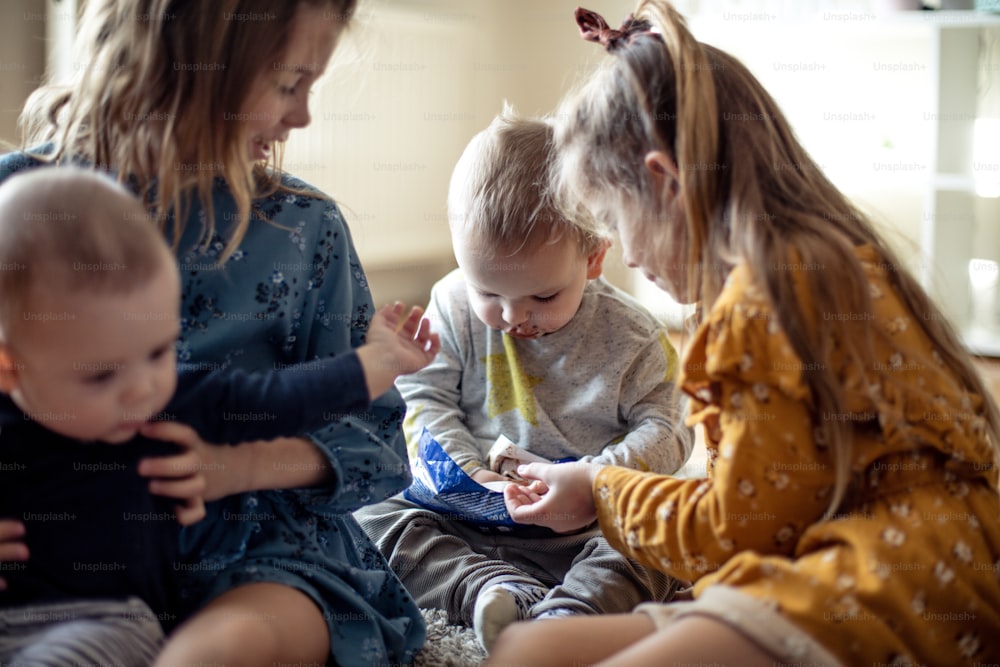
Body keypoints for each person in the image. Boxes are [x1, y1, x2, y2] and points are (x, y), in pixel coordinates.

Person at [485, 4, 1000, 667]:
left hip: (891, 577)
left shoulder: (764, 302)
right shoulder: (821, 257)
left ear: (664, 183)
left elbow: (732, 530)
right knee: (531, 647)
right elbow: (769, 503)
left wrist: (599, 488)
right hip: (878, 558)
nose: (615, 247)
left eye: (612, 215)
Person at [0, 1, 430, 665]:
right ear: (191, 67)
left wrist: (240, 466)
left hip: (255, 548)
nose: (302, 117)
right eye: (289, 86)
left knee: (224, 648)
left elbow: (376, 440)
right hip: (53, 561)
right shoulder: (19, 202)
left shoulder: (305, 229)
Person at [355, 110, 691, 651]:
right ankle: (490, 590)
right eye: (489, 291)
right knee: (366, 511)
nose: (513, 317)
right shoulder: (453, 304)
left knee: (658, 536)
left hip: (582, 525)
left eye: (542, 297)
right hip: (464, 514)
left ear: (595, 257)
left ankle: (565, 620)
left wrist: (594, 481)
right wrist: (468, 473)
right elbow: (424, 397)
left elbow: (671, 432)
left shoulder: (635, 337)